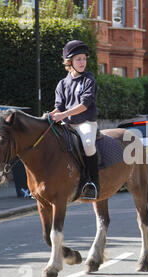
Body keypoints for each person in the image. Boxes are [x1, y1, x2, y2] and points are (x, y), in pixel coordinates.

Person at [50, 40, 99, 200]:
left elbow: (84, 105)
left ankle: (93, 184)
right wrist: (49, 117)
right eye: (78, 59)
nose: (82, 62)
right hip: (68, 124)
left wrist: (63, 115)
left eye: (84, 59)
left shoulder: (88, 80)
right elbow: (59, 107)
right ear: (69, 62)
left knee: (89, 145)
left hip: (86, 123)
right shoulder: (62, 84)